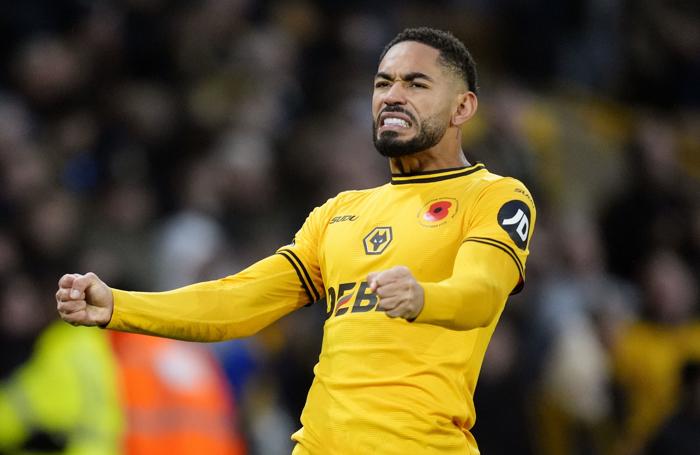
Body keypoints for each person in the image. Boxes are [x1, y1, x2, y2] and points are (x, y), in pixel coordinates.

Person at [56, 27, 536, 454]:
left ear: (462, 107)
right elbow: (238, 301)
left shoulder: (495, 196)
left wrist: (422, 297)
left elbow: (480, 292)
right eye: (382, 83)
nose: (392, 96)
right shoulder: (338, 213)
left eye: (416, 84)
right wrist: (120, 305)